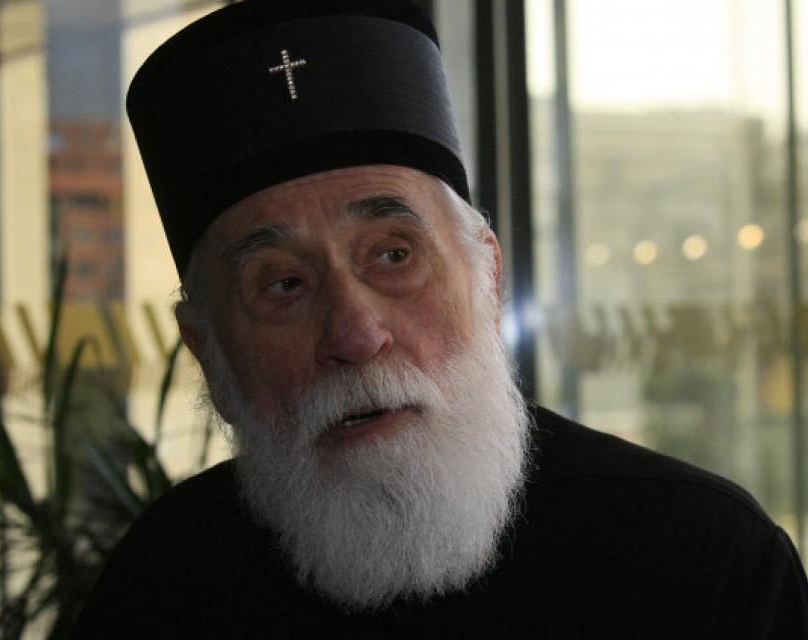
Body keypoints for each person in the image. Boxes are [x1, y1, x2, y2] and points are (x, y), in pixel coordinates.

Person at [74, 1, 808, 637]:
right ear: (207, 351)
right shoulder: (160, 587)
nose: (357, 336)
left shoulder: (706, 559)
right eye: (284, 284)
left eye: (394, 255)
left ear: (488, 274)